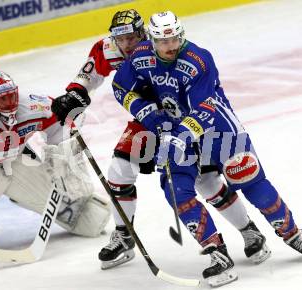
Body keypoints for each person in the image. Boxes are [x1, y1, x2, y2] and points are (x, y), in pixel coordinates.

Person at [110, 11, 302, 287]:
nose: (171, 45)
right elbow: (120, 87)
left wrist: (176, 136)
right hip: (178, 131)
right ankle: (217, 252)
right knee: (176, 190)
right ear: (152, 41)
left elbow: (204, 107)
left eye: (175, 38)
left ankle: (293, 235)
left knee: (251, 182)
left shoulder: (198, 59)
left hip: (219, 130)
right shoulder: (141, 56)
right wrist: (150, 115)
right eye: (164, 41)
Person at [50, 9, 270, 271]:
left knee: (205, 180)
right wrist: (73, 96)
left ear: (144, 33)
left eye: (133, 36)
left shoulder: (158, 45)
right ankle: (124, 234)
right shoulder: (107, 48)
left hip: (185, 118)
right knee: (119, 169)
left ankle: (249, 230)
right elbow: (88, 77)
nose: (129, 44)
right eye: (123, 39)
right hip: (148, 117)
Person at [0, 71, 111, 265]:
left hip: (16, 160)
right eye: (2, 99)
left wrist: (62, 151)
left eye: (11, 96)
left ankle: (79, 209)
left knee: (90, 221)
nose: (9, 103)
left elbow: (58, 122)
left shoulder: (32, 105)